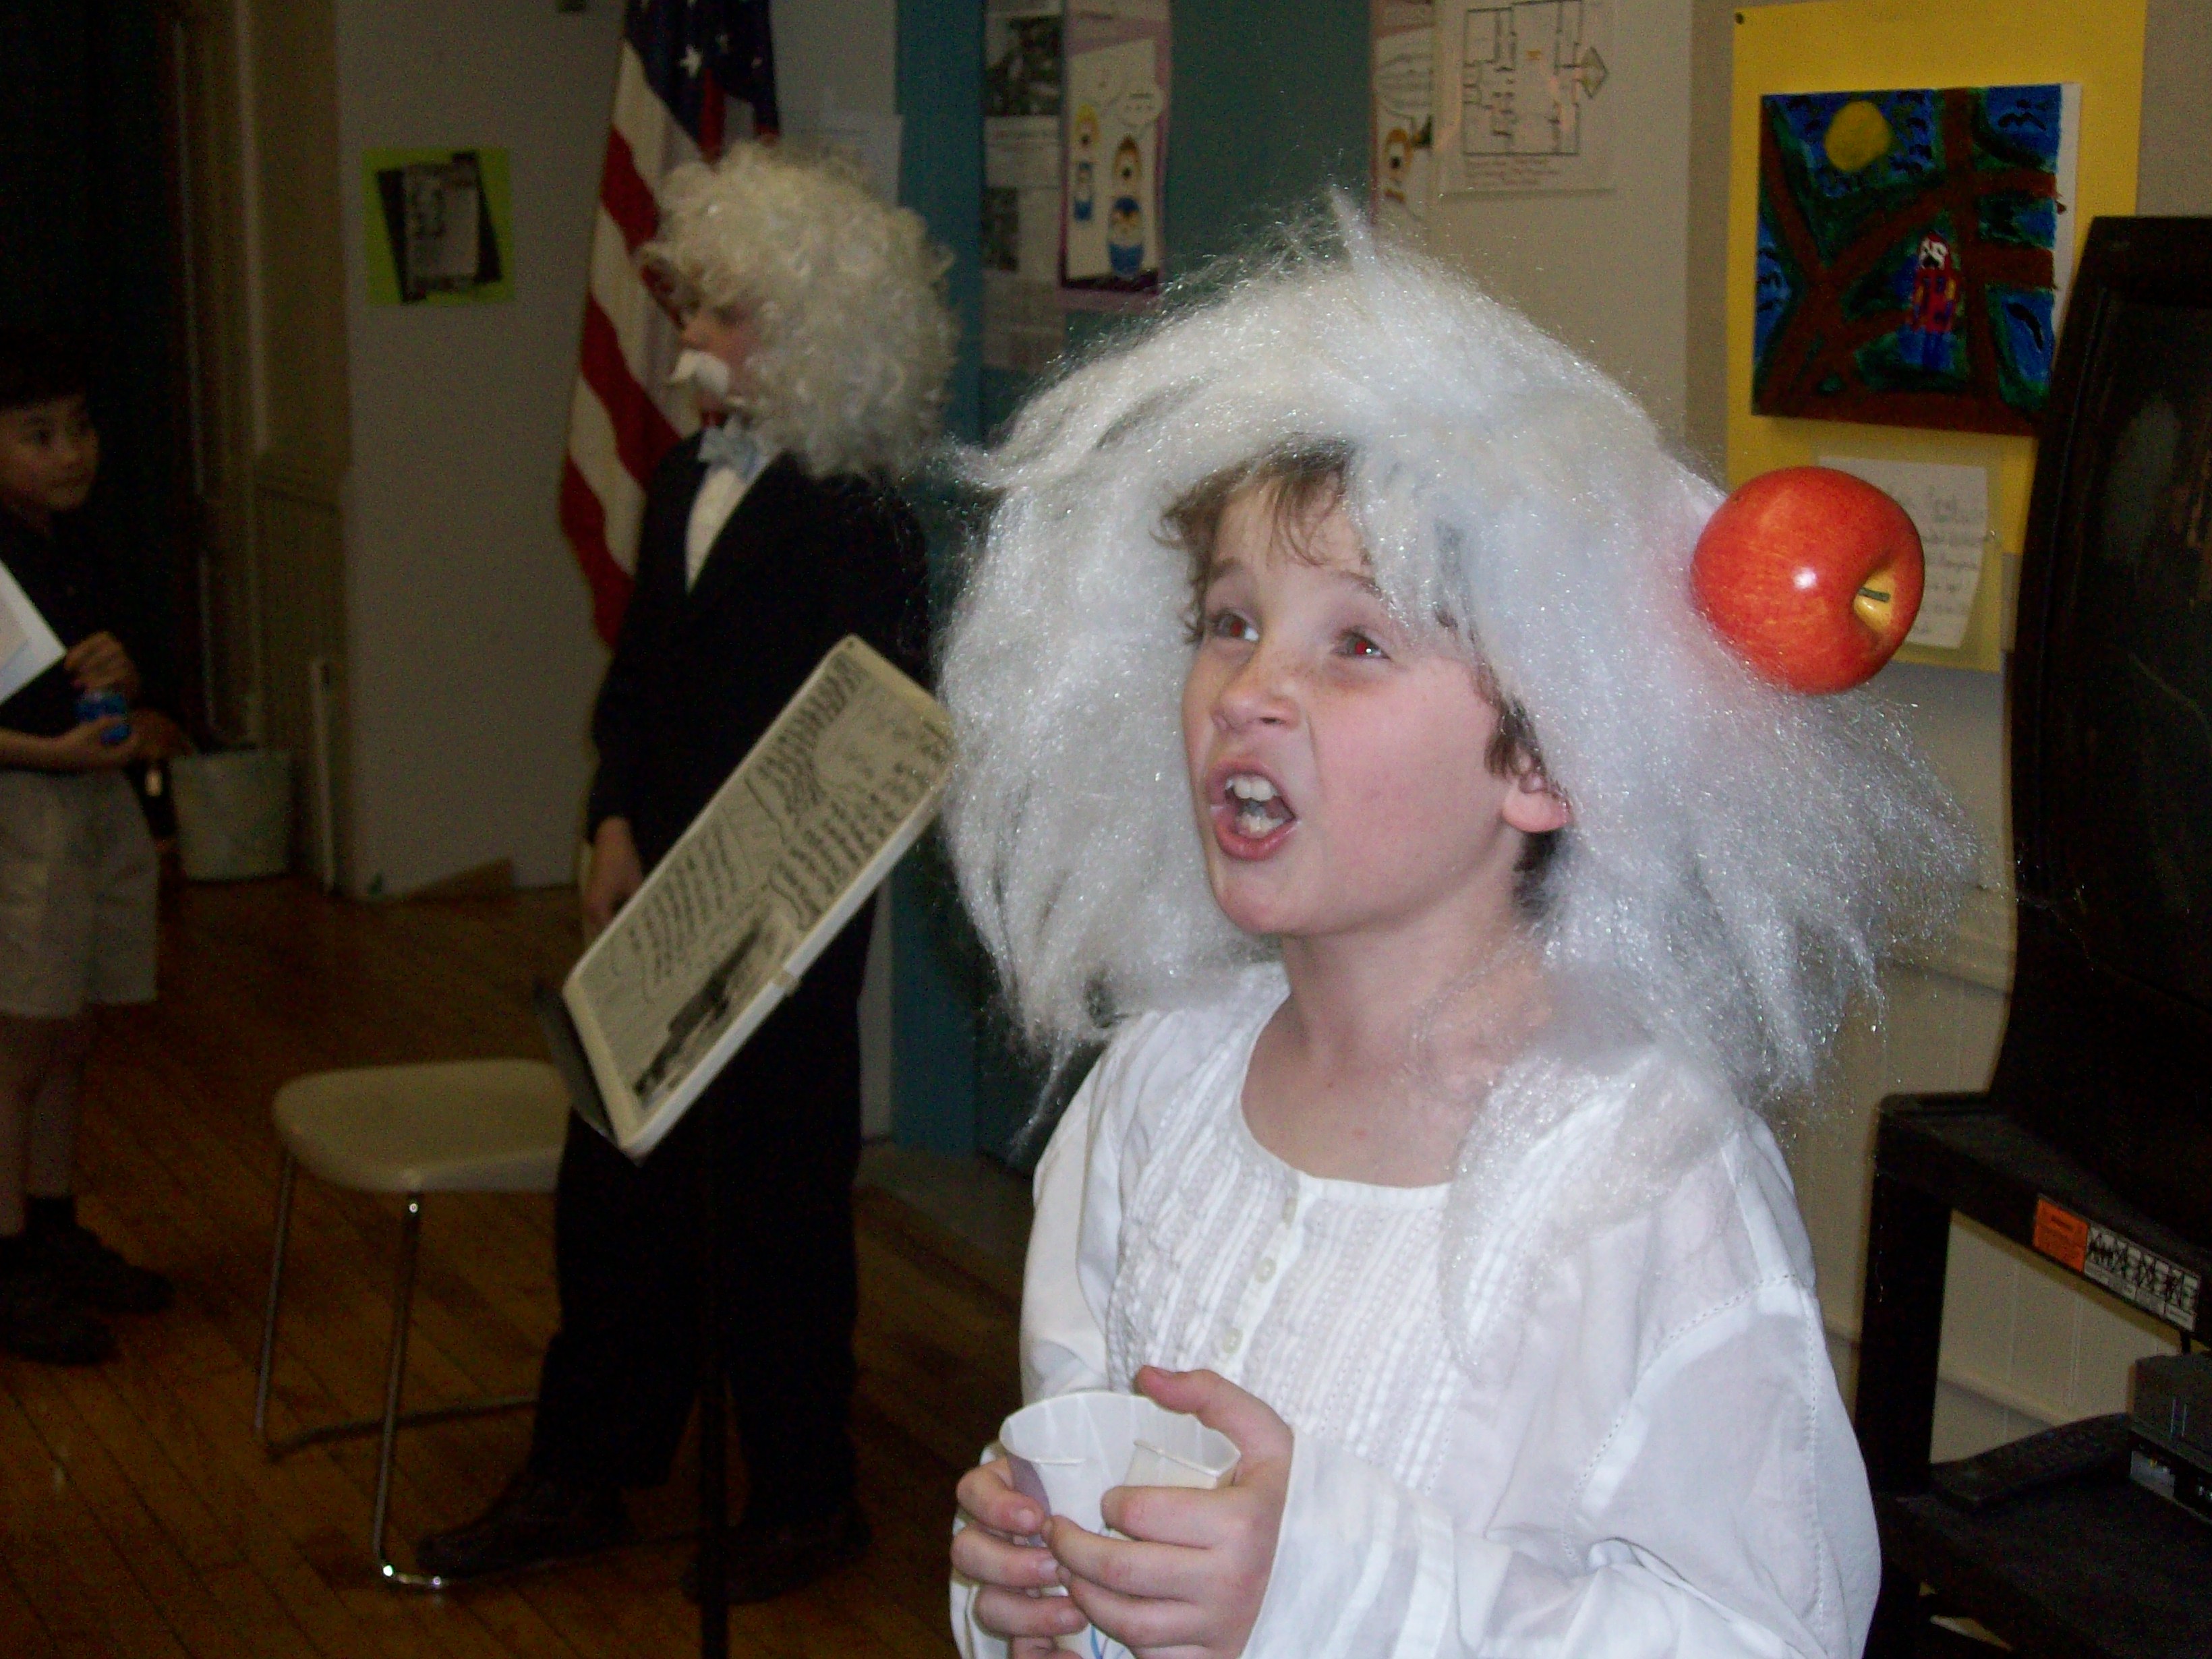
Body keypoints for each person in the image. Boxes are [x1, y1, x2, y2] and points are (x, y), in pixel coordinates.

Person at [941, 214, 1973, 1658]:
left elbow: (1761, 1633)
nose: (1247, 688)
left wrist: (1325, 1588)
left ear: (1548, 758)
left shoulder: (1640, 1179)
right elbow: (1087, 1457)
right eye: (1227, 620)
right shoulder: (1147, 1105)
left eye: (1353, 643)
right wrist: (1036, 1584)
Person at [416, 145, 954, 1596]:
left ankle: (801, 1492)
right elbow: (641, 686)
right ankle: (586, 1464)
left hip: (781, 912)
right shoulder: (674, 484)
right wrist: (609, 824)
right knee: (616, 1193)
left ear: (820, 338)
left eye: (727, 320)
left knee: (775, 1206)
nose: (691, 347)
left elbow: (874, 735)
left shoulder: (862, 525)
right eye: (695, 313)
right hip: (654, 901)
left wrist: (759, 886)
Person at [0, 328, 178, 1366]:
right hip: (22, 815)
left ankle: (56, 1226)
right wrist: (55, 752)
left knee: (69, 1033)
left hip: (88, 806)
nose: (70, 452)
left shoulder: (74, 542)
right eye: (37, 435)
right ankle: (9, 1260)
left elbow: (113, 690)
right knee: (15, 1048)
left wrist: (127, 685)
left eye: (79, 428)